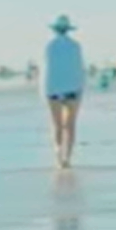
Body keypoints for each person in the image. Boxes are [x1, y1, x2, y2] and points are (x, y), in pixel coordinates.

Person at [42, 15, 85, 169]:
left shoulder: (50, 46)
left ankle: (58, 156)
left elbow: (47, 69)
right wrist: (81, 89)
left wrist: (45, 90)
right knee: (70, 125)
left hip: (52, 89)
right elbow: (79, 69)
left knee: (57, 125)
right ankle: (68, 157)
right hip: (73, 88)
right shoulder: (76, 46)